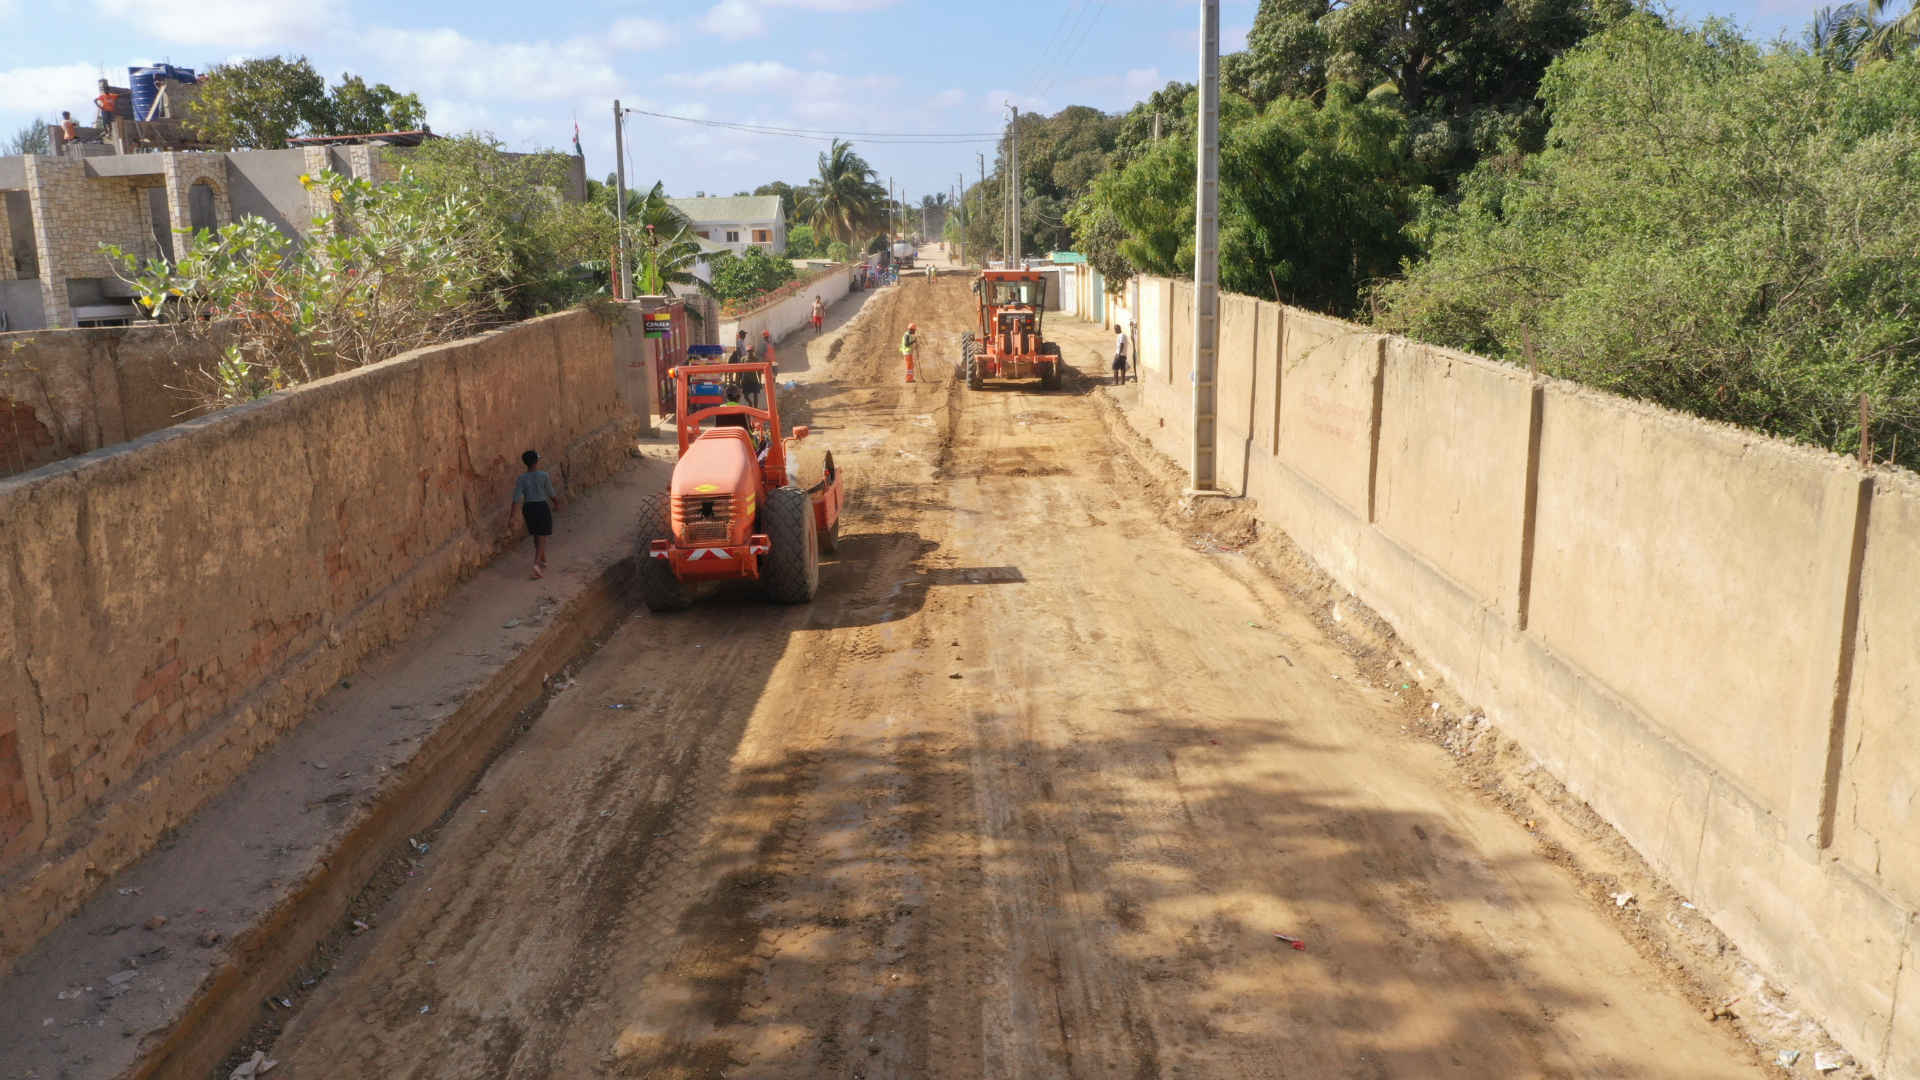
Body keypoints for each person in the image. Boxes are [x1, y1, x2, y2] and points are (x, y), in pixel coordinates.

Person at [510, 449, 559, 580]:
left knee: (536, 534)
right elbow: (552, 493)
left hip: (528, 507)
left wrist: (512, 516)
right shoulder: (544, 476)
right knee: (542, 538)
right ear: (536, 462)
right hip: (541, 506)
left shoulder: (521, 478)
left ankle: (543, 561)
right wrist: (557, 505)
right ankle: (536, 565)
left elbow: (516, 498)